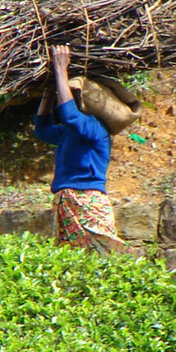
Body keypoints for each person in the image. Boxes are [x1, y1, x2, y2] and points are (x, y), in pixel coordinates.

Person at [34, 45, 131, 255]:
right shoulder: (69, 132)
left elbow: (69, 114)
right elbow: (42, 130)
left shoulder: (94, 128)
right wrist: (49, 92)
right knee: (75, 259)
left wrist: (61, 69)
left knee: (103, 255)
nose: (68, 97)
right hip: (66, 201)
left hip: (87, 201)